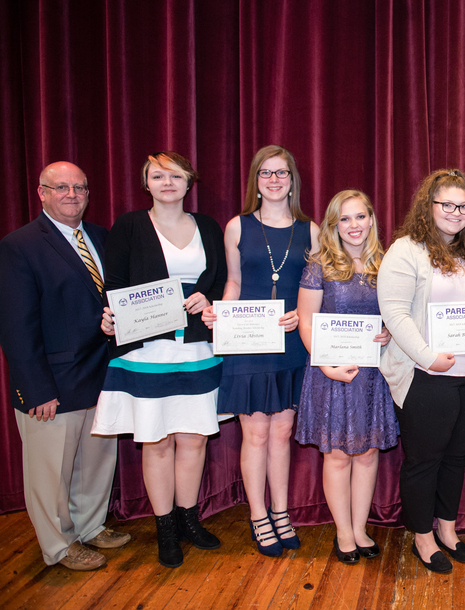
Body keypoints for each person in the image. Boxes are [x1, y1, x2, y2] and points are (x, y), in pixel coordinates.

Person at [93, 152, 227, 568]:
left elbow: (220, 278)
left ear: (189, 182)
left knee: (193, 437)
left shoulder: (207, 225)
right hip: (148, 349)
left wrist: (210, 297)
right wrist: (110, 317)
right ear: (145, 183)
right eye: (157, 175)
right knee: (157, 440)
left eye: (175, 175)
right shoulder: (130, 225)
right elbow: (113, 285)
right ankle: (165, 529)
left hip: (198, 348)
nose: (166, 182)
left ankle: (189, 520)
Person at [0, 162, 130, 571]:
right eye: (61, 187)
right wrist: (34, 389)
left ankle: (90, 527)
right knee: (50, 470)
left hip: (100, 373)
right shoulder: (19, 245)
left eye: (79, 187)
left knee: (95, 460)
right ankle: (58, 544)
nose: (71, 194)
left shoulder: (100, 237)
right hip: (52, 382)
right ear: (41, 193)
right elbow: (16, 326)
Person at [378, 169, 465, 574]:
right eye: (446, 204)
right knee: (423, 459)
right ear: (428, 206)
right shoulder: (406, 250)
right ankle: (422, 536)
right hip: (426, 375)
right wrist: (427, 356)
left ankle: (448, 530)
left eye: (463, 206)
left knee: (455, 456)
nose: (455, 212)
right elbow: (395, 314)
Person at [202, 145, 318, 556]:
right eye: (266, 173)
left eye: (281, 173)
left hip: (289, 342)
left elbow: (315, 290)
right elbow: (233, 284)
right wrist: (222, 314)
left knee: (283, 433)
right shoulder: (237, 226)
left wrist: (300, 315)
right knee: (255, 434)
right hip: (247, 342)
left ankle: (282, 511)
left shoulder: (310, 230)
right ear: (256, 179)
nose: (273, 180)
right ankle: (258, 515)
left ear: (292, 181)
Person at [296, 190, 396, 566]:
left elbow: (394, 315)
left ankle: (359, 528)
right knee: (338, 456)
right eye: (345, 219)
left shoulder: (385, 264)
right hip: (332, 373)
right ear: (333, 225)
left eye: (360, 217)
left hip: (372, 375)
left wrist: (387, 332)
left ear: (371, 219)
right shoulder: (319, 264)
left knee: (368, 454)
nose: (354, 226)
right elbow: (306, 320)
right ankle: (342, 532)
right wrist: (324, 363)